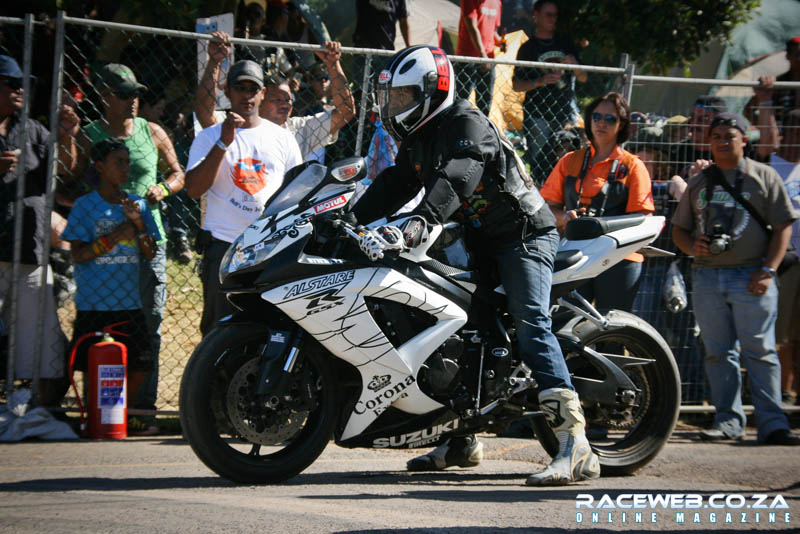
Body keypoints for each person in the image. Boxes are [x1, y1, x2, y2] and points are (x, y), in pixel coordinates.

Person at [351, 45, 600, 486]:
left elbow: (461, 175)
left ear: (435, 89)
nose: (398, 106)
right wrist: (346, 220)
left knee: (531, 325)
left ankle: (574, 445)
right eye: (395, 98)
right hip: (480, 243)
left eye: (407, 97)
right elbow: (394, 183)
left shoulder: (467, 123)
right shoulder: (420, 139)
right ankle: (463, 439)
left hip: (524, 236)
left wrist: (423, 219)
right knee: (462, 332)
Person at [59, 63, 185, 429]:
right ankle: (101, 407)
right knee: (101, 323)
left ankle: (141, 411)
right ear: (105, 97)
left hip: (147, 241)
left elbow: (179, 174)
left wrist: (164, 188)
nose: (133, 101)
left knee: (150, 323)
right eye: (125, 95)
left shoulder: (153, 131)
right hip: (102, 248)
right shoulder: (91, 135)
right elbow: (66, 180)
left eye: (136, 94)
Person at [670, 111, 800, 445]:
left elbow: (784, 225)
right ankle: (728, 421)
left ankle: (773, 424)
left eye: (730, 135)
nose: (723, 142)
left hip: (752, 276)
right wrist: (692, 248)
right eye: (716, 137)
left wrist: (768, 270)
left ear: (745, 139)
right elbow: (679, 230)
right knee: (718, 353)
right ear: (708, 142)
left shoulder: (764, 176)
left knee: (760, 351)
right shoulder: (699, 181)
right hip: (708, 277)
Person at [185, 59, 302, 336]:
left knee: (268, 330)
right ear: (228, 91)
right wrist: (224, 142)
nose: (247, 95)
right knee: (218, 333)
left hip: (269, 250)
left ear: (263, 93)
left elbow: (296, 194)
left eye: (254, 88)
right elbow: (193, 189)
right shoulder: (210, 136)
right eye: (240, 87)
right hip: (223, 247)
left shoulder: (282, 138)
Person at [61, 138, 160, 434]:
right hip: (94, 302)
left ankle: (121, 415)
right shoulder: (84, 206)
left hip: (128, 302)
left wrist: (139, 225)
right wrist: (117, 235)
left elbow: (150, 252)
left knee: (141, 362)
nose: (125, 168)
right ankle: (94, 417)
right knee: (91, 364)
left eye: (128, 162)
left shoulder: (136, 204)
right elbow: (78, 254)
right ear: (100, 166)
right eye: (119, 162)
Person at [540, 92, 655, 314]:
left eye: (610, 118)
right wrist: (564, 217)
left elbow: (643, 219)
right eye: (596, 117)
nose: (601, 123)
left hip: (620, 257)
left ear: (621, 125)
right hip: (575, 252)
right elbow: (547, 206)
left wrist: (605, 230)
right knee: (564, 324)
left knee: (612, 328)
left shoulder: (633, 166)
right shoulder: (570, 160)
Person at [0, 55, 70, 405]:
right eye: (11, 83)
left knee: (33, 336)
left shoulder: (34, 131)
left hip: (29, 249)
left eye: (23, 84)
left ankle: (29, 405)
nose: (19, 90)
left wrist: (67, 137)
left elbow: (65, 183)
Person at [195, 34, 355, 163]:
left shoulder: (301, 129)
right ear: (261, 98)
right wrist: (215, 62)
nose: (285, 104)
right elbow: (205, 113)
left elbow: (346, 111)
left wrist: (333, 65)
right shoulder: (236, 123)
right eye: (277, 100)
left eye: (288, 100)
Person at [753, 105, 800, 404]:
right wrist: (765, 100)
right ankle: (779, 394)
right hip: (782, 263)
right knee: (779, 334)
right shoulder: (771, 163)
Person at [511, 0, 587, 184]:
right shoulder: (528, 48)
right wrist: (539, 81)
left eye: (555, 15)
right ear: (536, 15)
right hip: (537, 114)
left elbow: (584, 77)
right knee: (539, 162)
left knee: (565, 160)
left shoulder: (565, 43)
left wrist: (574, 65)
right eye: (548, 14)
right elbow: (516, 85)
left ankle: (561, 196)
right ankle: (540, 195)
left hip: (564, 113)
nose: (553, 19)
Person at [455, 0, 502, 117]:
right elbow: (471, 26)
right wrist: (483, 55)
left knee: (485, 103)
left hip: (488, 60)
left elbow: (492, 31)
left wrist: (501, 42)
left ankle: (482, 129)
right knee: (461, 100)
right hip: (467, 58)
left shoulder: (497, 2)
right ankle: (456, 128)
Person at [744, 36, 800, 128]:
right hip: (784, 138)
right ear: (788, 56)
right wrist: (769, 129)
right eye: (796, 54)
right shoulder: (777, 83)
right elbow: (748, 111)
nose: (799, 59)